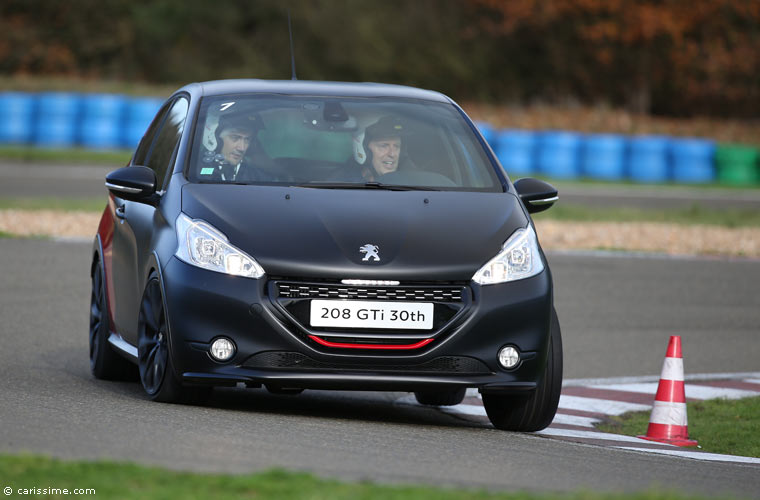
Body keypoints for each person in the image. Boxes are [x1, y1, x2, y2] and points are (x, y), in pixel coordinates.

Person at [198, 110, 279, 182]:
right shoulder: (194, 172)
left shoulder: (255, 176)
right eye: (235, 137)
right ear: (213, 138)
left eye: (247, 139)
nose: (242, 148)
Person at [349, 115, 410, 182]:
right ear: (364, 150)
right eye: (384, 146)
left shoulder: (409, 183)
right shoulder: (342, 186)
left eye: (396, 146)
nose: (392, 154)